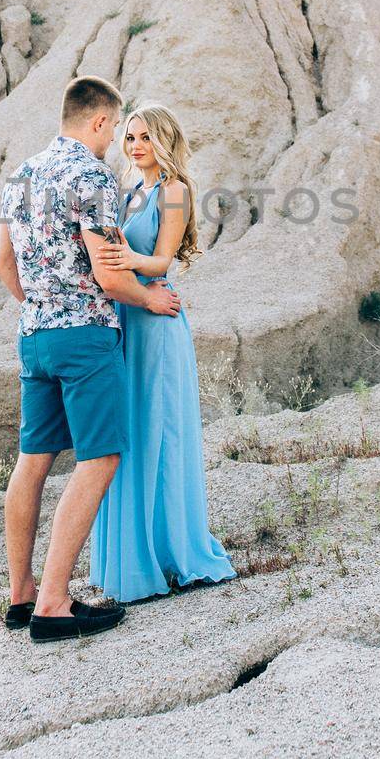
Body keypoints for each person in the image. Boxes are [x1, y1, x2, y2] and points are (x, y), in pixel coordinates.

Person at [0, 75, 181, 642]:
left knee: (33, 460)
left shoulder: (22, 175)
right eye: (114, 128)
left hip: (34, 336)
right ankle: (55, 604)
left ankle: (21, 595)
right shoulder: (90, 176)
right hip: (85, 336)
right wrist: (151, 296)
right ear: (100, 121)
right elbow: (109, 274)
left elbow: (5, 264)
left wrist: (44, 308)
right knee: (100, 458)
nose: (114, 143)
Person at [88, 104, 236, 603]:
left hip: (157, 317)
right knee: (131, 429)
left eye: (146, 137)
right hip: (127, 318)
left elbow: (164, 258)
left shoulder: (175, 191)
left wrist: (127, 259)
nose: (135, 146)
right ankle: (133, 556)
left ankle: (173, 550)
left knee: (162, 428)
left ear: (165, 140)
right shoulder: (130, 192)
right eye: (130, 137)